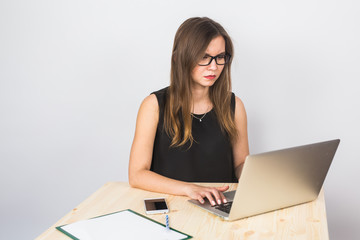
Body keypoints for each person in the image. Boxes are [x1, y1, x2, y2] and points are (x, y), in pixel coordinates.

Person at [129, 17, 249, 206]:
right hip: (173, 204)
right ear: (179, 58)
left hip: (221, 204)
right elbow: (137, 175)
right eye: (203, 57)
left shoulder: (235, 106)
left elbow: (240, 164)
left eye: (220, 57)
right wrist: (189, 188)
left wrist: (259, 176)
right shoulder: (153, 105)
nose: (214, 67)